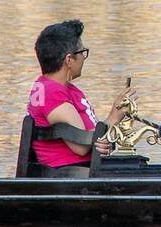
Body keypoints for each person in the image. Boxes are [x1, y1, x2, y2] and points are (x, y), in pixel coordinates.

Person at [27, 19, 137, 174]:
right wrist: (113, 117)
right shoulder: (52, 93)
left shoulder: (60, 88)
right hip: (71, 175)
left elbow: (89, 138)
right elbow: (81, 145)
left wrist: (104, 140)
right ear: (69, 60)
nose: (84, 58)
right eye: (82, 53)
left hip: (86, 170)